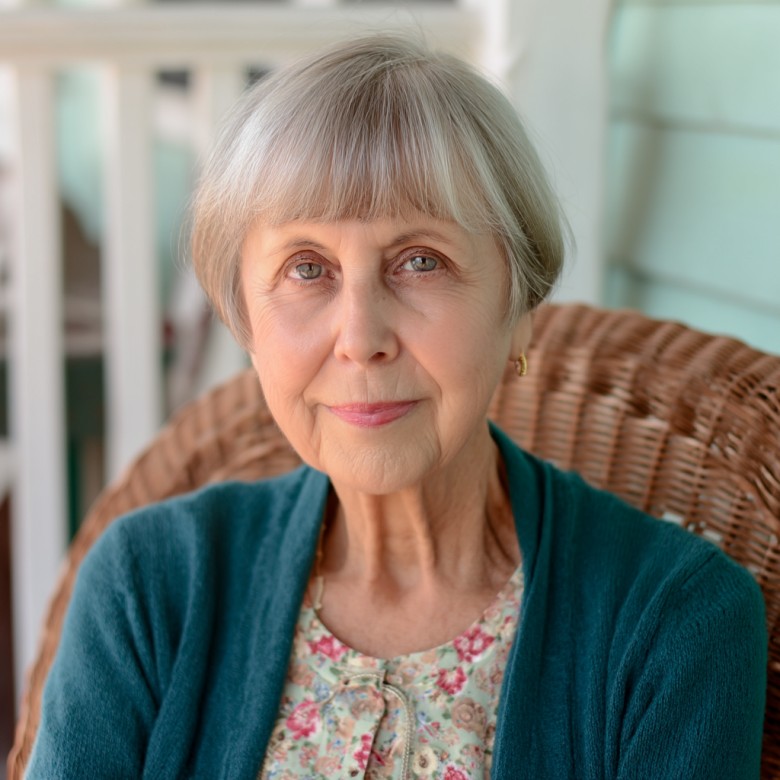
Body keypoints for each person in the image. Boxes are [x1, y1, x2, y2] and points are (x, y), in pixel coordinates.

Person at [27, 35, 766, 779]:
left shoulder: (676, 621)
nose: (361, 339)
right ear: (246, 324)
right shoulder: (148, 586)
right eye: (307, 268)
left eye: (420, 261)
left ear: (519, 311)